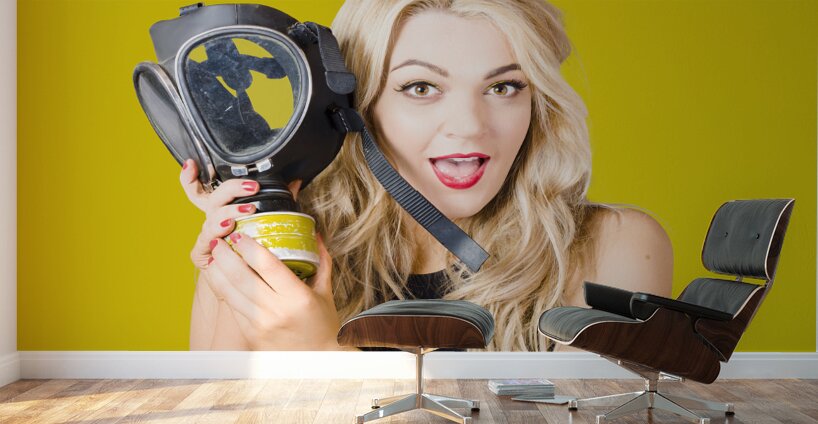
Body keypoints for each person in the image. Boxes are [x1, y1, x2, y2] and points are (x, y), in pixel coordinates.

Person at [178, 0, 673, 352]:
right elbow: (221, 410)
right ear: (353, 106)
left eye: (503, 87)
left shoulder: (615, 248)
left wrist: (326, 357)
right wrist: (240, 245)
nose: (469, 126)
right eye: (420, 86)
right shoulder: (292, 245)